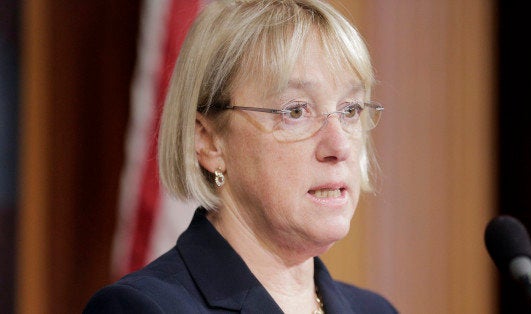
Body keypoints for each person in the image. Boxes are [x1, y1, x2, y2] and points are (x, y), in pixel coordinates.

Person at [84, 0, 396, 313]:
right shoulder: (142, 308)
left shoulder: (375, 310)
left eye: (350, 110)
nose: (339, 147)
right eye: (296, 111)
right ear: (208, 141)